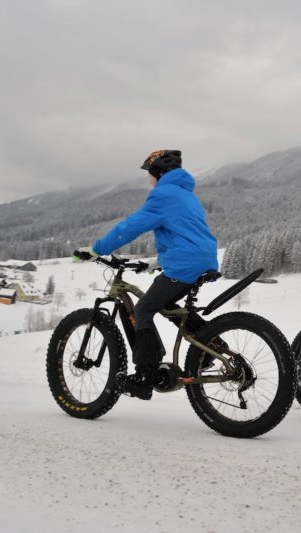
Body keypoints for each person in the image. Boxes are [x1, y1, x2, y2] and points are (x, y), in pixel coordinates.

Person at [81, 149, 218, 400]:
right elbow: (184, 234)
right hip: (202, 260)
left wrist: (97, 249)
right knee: (169, 305)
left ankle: (145, 375)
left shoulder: (163, 194)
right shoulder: (187, 195)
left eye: (150, 174)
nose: (149, 180)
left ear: (158, 172)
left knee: (143, 310)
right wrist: (157, 263)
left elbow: (130, 227)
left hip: (184, 264)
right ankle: (212, 347)